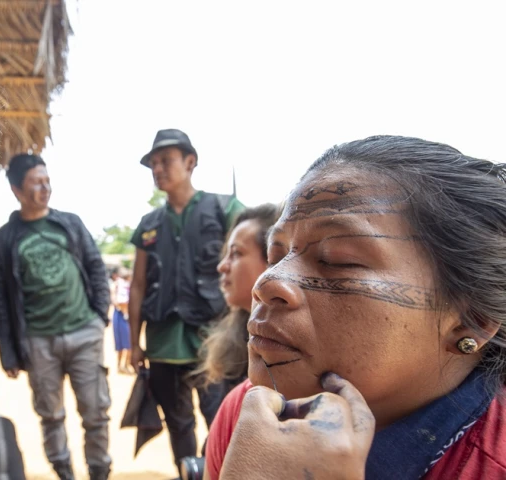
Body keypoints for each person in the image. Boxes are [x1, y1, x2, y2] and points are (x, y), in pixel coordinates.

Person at [206, 135, 506, 479]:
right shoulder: (249, 415)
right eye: (276, 256)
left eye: (338, 259)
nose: (266, 283)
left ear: (472, 320)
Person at [0, 154, 112, 480]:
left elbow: (96, 268)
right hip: (37, 341)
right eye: (35, 183)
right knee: (51, 416)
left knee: (96, 413)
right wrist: (9, 351)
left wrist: (99, 317)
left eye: (46, 180)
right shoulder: (3, 240)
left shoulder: (70, 223)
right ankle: (65, 474)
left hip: (84, 332)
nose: (45, 188)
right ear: (17, 190)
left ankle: (99, 473)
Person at [128, 128, 244, 469]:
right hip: (163, 345)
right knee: (178, 426)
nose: (158, 169)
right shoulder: (149, 225)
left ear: (190, 162)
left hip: (214, 342)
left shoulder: (225, 209)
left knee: (220, 421)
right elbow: (137, 286)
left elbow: (251, 261)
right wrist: (134, 343)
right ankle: (188, 474)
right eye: (153, 163)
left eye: (166, 161)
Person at [196, 203, 280, 390]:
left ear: (273, 260)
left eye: (235, 253)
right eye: (226, 255)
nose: (222, 266)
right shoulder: (239, 341)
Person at [112, 268, 132, 374]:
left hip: (123, 316)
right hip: (123, 316)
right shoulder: (121, 285)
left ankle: (124, 365)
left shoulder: (122, 285)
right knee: (124, 343)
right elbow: (120, 302)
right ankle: (122, 366)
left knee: (127, 343)